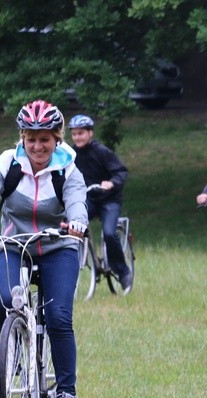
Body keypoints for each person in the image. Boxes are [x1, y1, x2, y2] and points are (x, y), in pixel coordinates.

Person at [0, 100, 88, 398]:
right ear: (22, 137)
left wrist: (77, 222)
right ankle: (13, 354)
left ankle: (66, 396)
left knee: (58, 316)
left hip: (59, 247)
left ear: (57, 138)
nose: (37, 145)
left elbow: (77, 200)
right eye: (31, 138)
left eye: (45, 139)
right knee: (5, 298)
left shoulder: (67, 168)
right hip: (14, 243)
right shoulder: (7, 164)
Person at [67, 114, 132, 294]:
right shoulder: (71, 155)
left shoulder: (102, 152)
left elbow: (121, 171)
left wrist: (111, 183)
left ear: (90, 133)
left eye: (81, 133)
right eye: (74, 134)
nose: (77, 137)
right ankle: (79, 262)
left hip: (108, 200)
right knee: (73, 226)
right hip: (88, 198)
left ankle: (123, 271)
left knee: (110, 233)